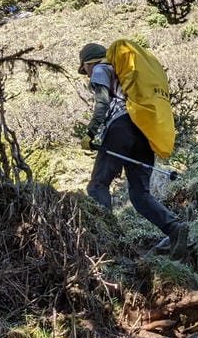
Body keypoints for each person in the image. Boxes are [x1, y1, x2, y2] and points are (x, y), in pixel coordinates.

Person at [78, 41, 190, 257]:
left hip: (120, 127)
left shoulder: (101, 68)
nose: (86, 74)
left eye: (85, 70)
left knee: (97, 185)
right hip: (144, 130)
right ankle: (174, 229)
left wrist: (90, 132)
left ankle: (107, 242)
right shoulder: (125, 75)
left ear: (89, 63)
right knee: (139, 194)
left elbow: (102, 103)